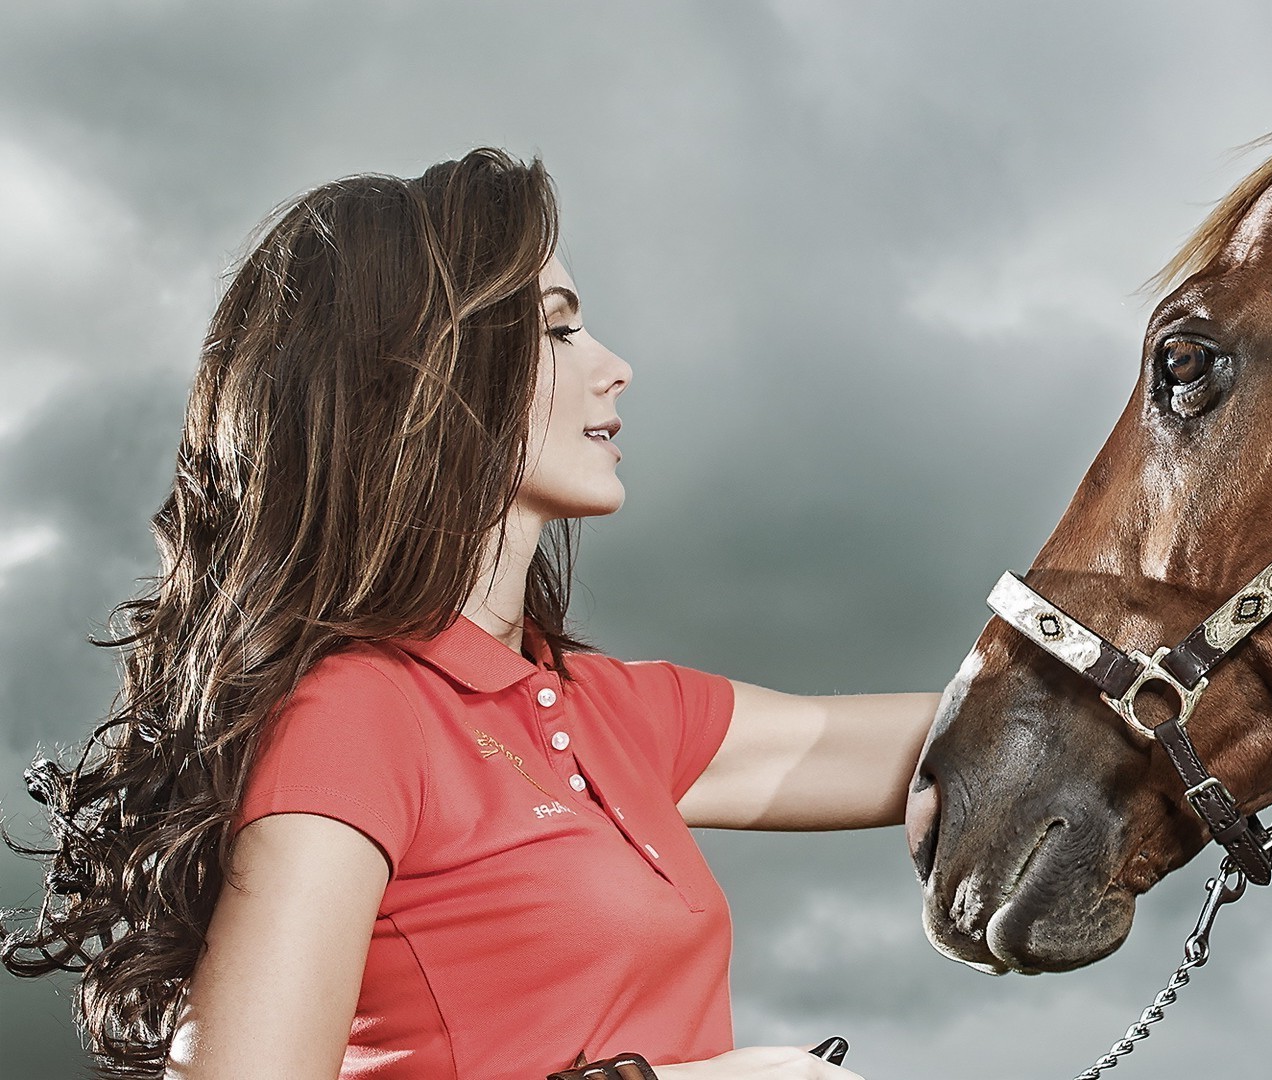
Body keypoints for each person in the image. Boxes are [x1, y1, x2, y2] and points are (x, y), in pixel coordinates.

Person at [2, 148, 939, 1080]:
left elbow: (993, 732)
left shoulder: (609, 713)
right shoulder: (358, 715)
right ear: (427, 373)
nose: (615, 367)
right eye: (559, 330)